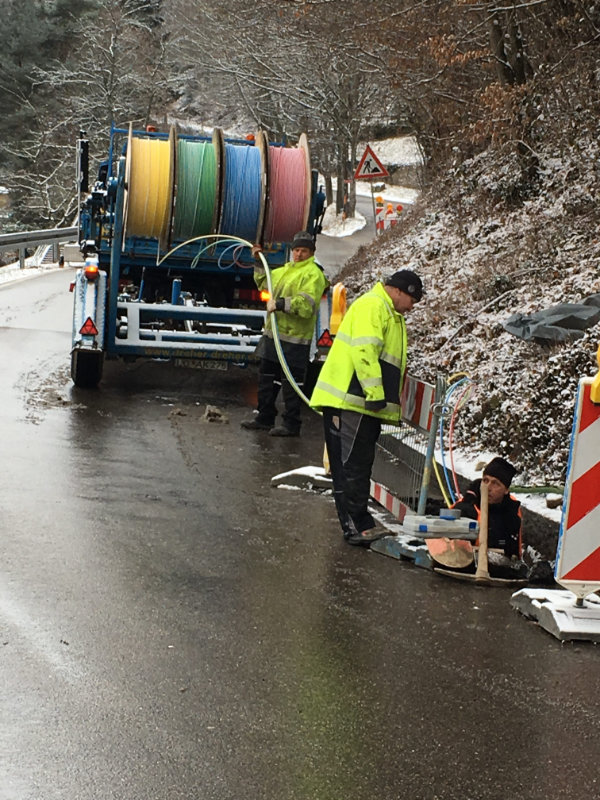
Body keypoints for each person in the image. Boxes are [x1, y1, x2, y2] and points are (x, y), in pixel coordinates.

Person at [310, 269, 423, 546]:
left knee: (358, 464)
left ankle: (360, 523)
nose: (413, 306)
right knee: (351, 465)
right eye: (412, 299)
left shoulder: (386, 312)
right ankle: (356, 526)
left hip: (360, 403)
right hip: (353, 401)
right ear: (398, 290)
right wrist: (374, 393)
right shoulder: (374, 307)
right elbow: (365, 351)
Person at [241, 231, 329, 437]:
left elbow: (306, 306)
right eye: (296, 250)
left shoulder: (313, 275)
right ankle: (264, 417)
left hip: (295, 339)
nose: (299, 254)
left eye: (304, 251)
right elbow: (265, 283)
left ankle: (291, 423)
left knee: (292, 383)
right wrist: (259, 262)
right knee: (267, 378)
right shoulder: (285, 270)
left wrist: (280, 304)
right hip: (274, 336)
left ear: (311, 253)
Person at [453, 456, 526, 577]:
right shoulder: (466, 505)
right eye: (485, 481)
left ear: (506, 490)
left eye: (495, 483)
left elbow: (514, 551)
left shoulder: (512, 511)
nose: (488, 487)